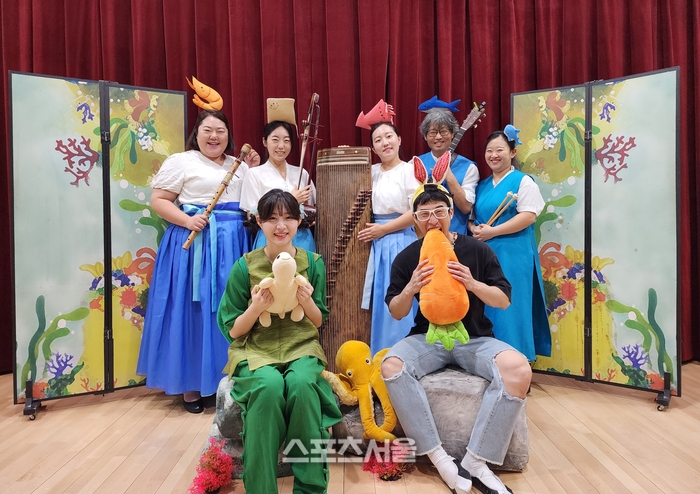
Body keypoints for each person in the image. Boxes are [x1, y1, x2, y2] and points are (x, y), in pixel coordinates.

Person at [382, 183, 531, 494]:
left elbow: (503, 300)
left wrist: (472, 283)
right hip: (427, 338)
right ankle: (439, 458)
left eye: (439, 211)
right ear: (415, 219)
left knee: (519, 369)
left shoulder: (477, 250)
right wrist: (410, 288)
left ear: (451, 213)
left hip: (474, 338)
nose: (432, 219)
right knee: (391, 366)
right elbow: (396, 311)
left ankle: (476, 460)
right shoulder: (408, 257)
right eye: (424, 214)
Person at [217, 189, 341, 494]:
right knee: (269, 387)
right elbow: (233, 330)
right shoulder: (244, 266)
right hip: (255, 348)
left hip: (302, 346)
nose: (281, 225)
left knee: (302, 386)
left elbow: (317, 320)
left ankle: (310, 489)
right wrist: (256, 308)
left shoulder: (313, 263)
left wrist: (307, 301)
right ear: (259, 222)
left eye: (288, 217)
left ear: (299, 221)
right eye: (272, 218)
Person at [137, 109, 261, 413]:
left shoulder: (239, 165)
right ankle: (190, 386)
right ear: (196, 133)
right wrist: (187, 220)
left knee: (230, 308)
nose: (214, 136)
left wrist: (256, 170)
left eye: (221, 130)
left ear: (229, 135)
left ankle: (224, 381)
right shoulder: (182, 161)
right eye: (207, 130)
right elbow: (158, 200)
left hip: (233, 244)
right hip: (196, 245)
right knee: (193, 311)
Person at [471, 126, 551, 361]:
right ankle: (488, 360)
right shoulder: (483, 185)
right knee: (488, 305)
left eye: (500, 150)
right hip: (487, 252)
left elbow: (528, 216)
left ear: (513, 152)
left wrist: (493, 231)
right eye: (489, 151)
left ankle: (516, 362)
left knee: (512, 307)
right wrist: (475, 229)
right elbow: (474, 219)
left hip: (514, 252)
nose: (493, 155)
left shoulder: (523, 181)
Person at [356, 109, 419, 354]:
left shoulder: (409, 170)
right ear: (373, 148)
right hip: (376, 242)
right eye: (378, 140)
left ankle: (404, 355)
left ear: (399, 139)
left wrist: (383, 230)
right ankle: (382, 356)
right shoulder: (370, 172)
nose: (385, 143)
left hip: (401, 239)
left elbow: (416, 211)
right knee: (382, 300)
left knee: (401, 296)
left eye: (389, 136)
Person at [240, 99, 316, 252]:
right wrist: (292, 200)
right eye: (275, 140)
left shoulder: (301, 173)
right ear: (264, 141)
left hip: (301, 237)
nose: (281, 146)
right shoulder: (254, 174)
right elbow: (252, 215)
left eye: (286, 141)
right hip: (270, 239)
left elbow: (314, 207)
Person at [418, 106, 479, 235]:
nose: (438, 137)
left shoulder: (469, 167)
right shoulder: (415, 164)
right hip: (422, 236)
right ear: (425, 136)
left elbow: (466, 208)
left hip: (456, 236)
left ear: (452, 134)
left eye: (444, 132)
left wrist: (449, 175)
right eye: (432, 132)